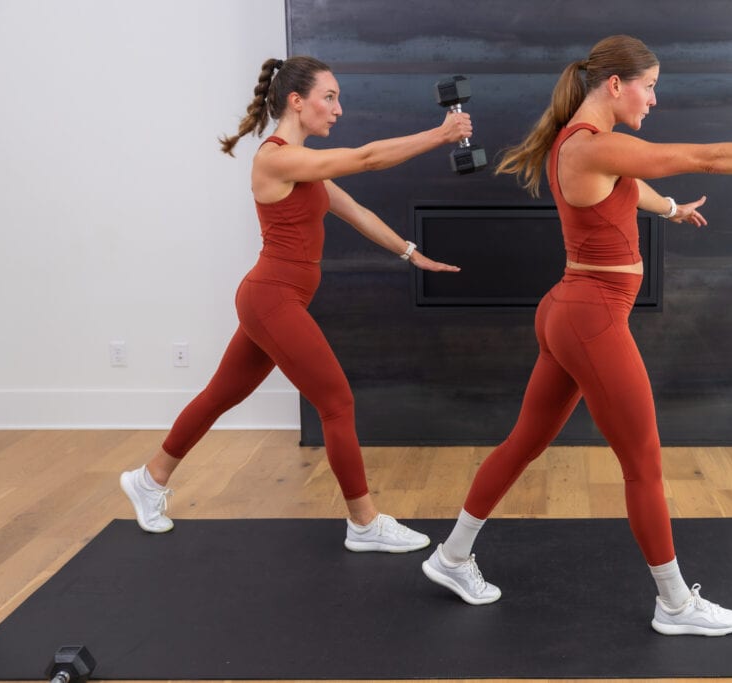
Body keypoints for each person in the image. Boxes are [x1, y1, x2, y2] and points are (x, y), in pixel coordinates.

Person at [420, 35, 732, 634]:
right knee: (643, 463)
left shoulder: (584, 144)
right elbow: (712, 156)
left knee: (524, 442)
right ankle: (675, 605)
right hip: (590, 318)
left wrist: (670, 208)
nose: (653, 99)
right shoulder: (590, 147)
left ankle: (451, 555)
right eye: (648, 86)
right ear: (615, 85)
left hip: (570, 311)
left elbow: (629, 185)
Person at [120, 56, 471, 553]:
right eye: (329, 97)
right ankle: (364, 523)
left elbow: (357, 212)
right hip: (272, 298)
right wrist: (438, 135)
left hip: (274, 299)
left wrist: (412, 253)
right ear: (296, 101)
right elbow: (369, 157)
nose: (338, 109)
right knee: (337, 402)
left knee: (221, 395)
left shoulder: (305, 166)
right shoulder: (277, 158)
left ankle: (149, 479)